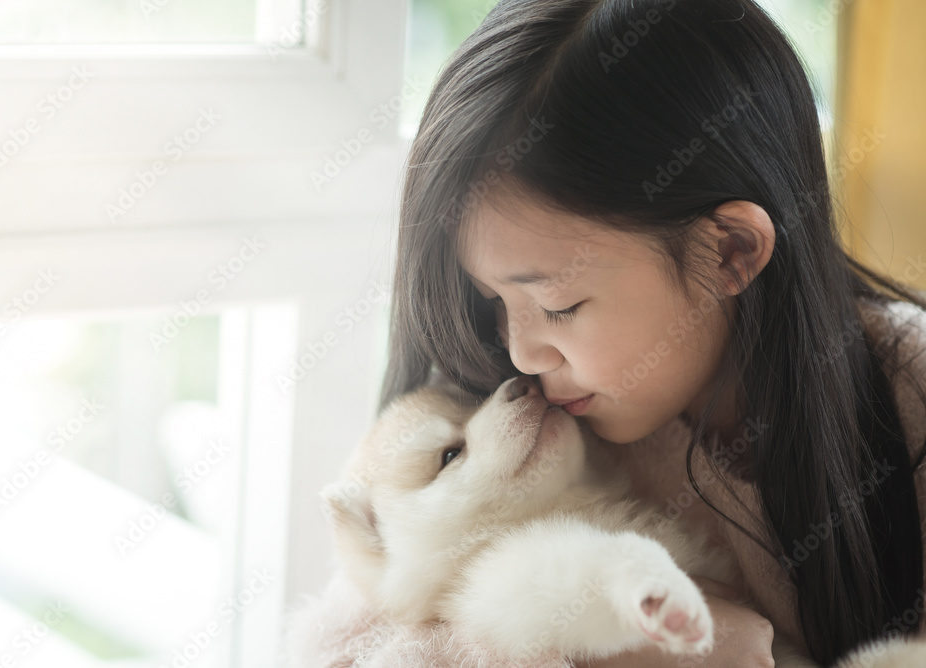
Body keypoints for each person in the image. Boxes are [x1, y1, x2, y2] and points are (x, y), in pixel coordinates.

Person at [366, 0, 926, 666]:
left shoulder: (909, 392)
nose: (520, 352)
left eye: (562, 305)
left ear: (731, 252)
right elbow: (357, 634)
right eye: (492, 301)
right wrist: (633, 650)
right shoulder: (500, 406)